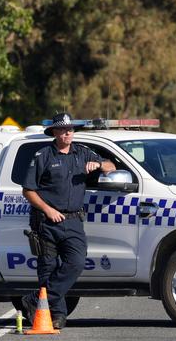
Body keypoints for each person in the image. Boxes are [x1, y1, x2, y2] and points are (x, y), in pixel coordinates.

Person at [21, 112, 115, 329]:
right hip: (46, 221)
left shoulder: (82, 153)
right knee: (48, 268)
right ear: (54, 132)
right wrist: (48, 209)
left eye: (70, 129)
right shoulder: (44, 155)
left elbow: (111, 165)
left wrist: (99, 166)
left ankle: (36, 300)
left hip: (73, 221)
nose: (68, 133)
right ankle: (57, 315)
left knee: (76, 263)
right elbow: (28, 190)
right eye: (63, 130)